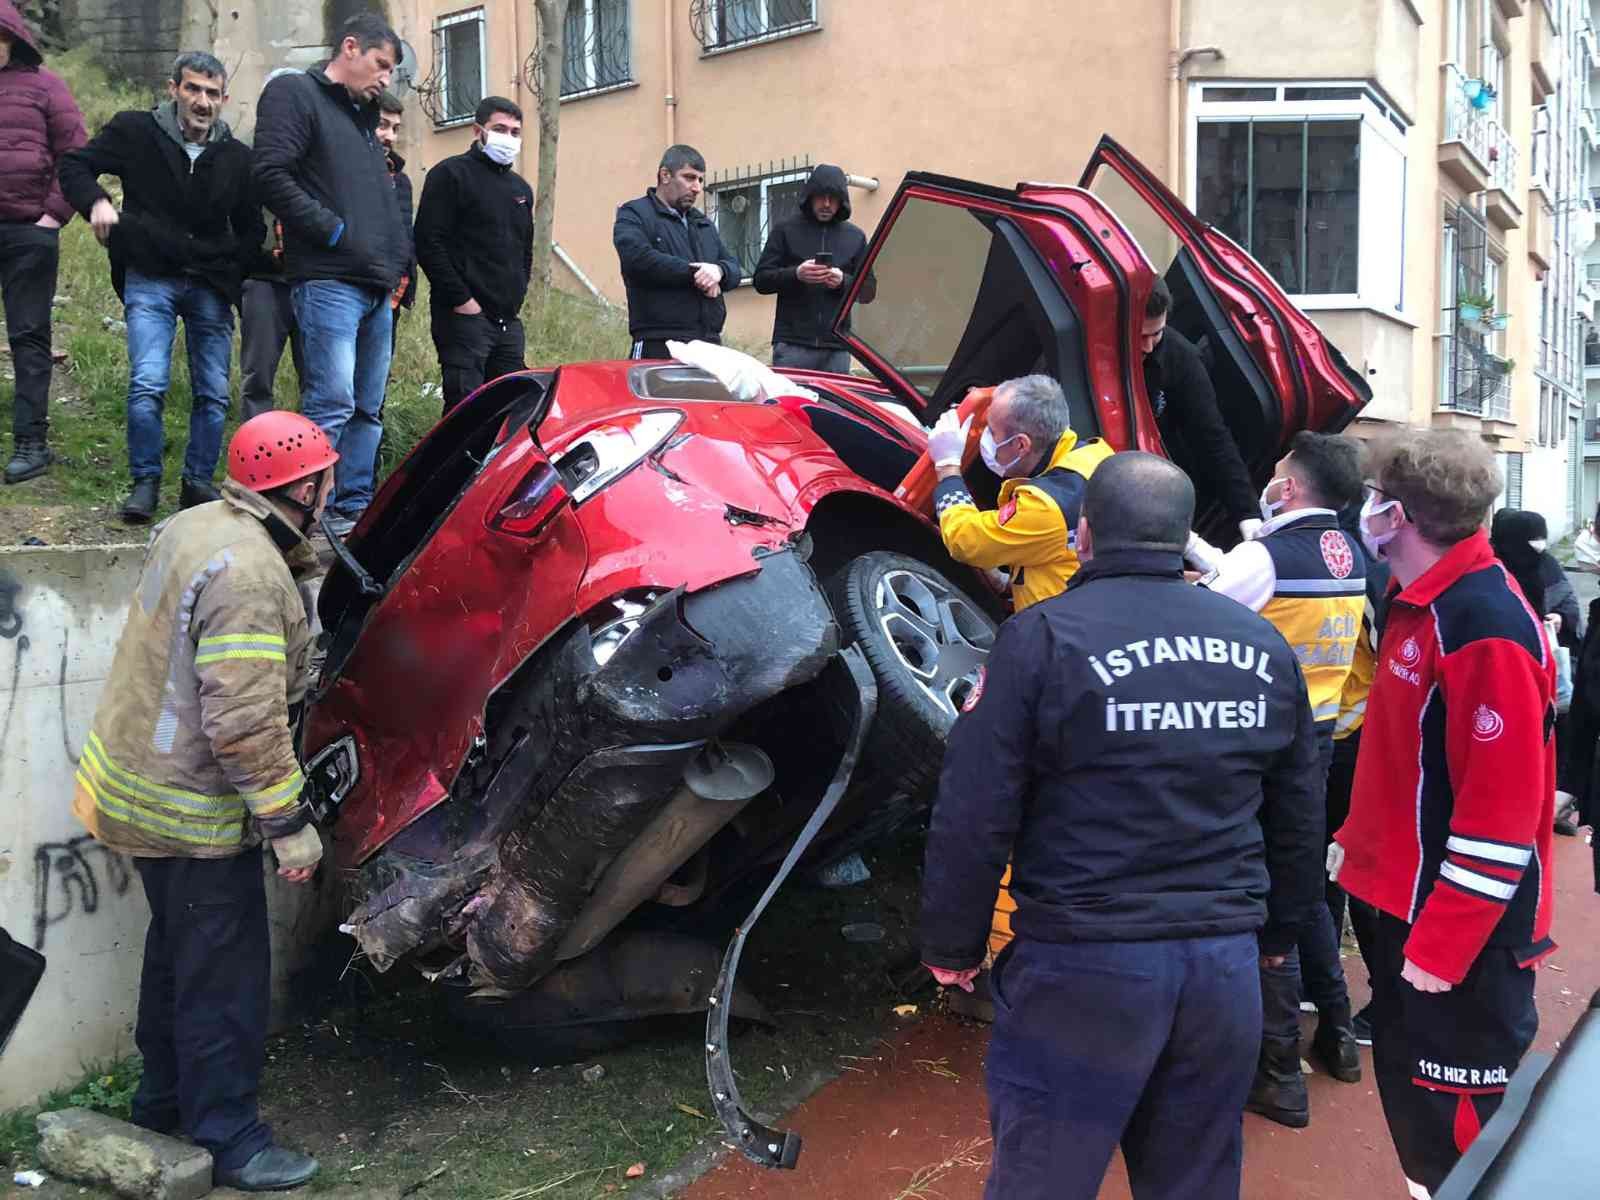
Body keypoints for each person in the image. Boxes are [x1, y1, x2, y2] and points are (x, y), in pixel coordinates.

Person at [922, 451, 1324, 1200]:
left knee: (1044, 1177)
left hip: (1084, 966)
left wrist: (952, 944)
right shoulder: (1263, 646)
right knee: (1195, 1180)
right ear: (1182, 540)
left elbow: (975, 807)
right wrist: (1276, 938)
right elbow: (1297, 812)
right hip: (1221, 967)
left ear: (1082, 534)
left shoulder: (1040, 638)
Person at [71, 409, 335, 1192]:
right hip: (193, 808)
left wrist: (306, 563)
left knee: (178, 955)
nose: (336, 487)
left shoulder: (196, 526)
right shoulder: (251, 580)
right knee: (224, 975)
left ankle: (162, 1105)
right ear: (306, 485)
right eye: (328, 477)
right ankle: (231, 1138)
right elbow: (246, 721)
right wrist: (289, 826)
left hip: (134, 790)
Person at [1332, 430, 1556, 1199]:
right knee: (1419, 1127)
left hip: (1460, 934)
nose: (1362, 511)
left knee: (1466, 1143)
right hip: (1403, 907)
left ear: (1394, 515)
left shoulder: (1484, 624)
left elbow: (1504, 811)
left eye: (1370, 500)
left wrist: (1447, 941)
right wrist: (1356, 848)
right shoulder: (1421, 600)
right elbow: (1404, 761)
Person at [1185, 431, 1366, 1124]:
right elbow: (1252, 576)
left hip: (1253, 745)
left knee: (1256, 899)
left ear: (1288, 489)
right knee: (1302, 892)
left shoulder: (1266, 557)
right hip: (1315, 737)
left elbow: (1205, 615)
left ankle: (1275, 1066)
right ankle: (1340, 1034)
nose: (1269, 477)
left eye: (1277, 470)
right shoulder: (1344, 551)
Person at [59, 52, 265, 524]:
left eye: (212, 94)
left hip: (210, 285)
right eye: (193, 89)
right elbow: (75, 164)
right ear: (173, 89)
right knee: (148, 382)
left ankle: (196, 484)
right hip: (149, 274)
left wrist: (232, 265)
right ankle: (145, 482)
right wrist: (97, 204)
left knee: (213, 392)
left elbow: (251, 228)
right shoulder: (136, 131)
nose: (202, 101)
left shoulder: (237, 157)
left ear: (224, 100)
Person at [253, 12, 409, 536]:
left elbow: (381, 204)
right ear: (349, 48)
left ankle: (353, 511)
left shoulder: (364, 122)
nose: (386, 77)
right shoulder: (295, 94)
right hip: (328, 279)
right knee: (332, 403)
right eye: (381, 64)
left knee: (368, 407)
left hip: (374, 287)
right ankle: (304, 515)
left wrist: (393, 264)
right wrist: (333, 231)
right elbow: (270, 173)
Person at [926, 374, 1114, 613]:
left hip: (1057, 630)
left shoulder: (1046, 505)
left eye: (991, 431)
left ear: (1021, 445)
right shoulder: (1097, 455)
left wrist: (947, 466)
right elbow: (1052, 551)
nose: (985, 437)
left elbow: (965, 540)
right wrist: (1009, 584)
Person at [0, 0, 86, 485]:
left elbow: (75, 152)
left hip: (29, 233)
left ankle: (31, 444)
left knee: (29, 338)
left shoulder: (47, 88)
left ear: (12, 38)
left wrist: (52, 216)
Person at [413, 95, 532, 413]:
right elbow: (428, 242)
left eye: (515, 131)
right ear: (478, 130)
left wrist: (517, 296)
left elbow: (525, 250)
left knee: (513, 410)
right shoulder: (450, 175)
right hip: (464, 320)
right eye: (500, 128)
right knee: (464, 413)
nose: (508, 138)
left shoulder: (521, 189)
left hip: (508, 322)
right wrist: (463, 302)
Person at [1141, 278, 1260, 541]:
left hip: (1156, 479)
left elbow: (1212, 437)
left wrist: (1247, 513)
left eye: (1156, 334)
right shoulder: (1095, 345)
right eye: (1140, 336)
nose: (1148, 347)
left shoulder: (1182, 357)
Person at [612, 144, 742, 359]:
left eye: (700, 180)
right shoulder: (634, 213)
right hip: (658, 343)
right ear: (665, 175)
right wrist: (698, 274)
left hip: (709, 343)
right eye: (689, 178)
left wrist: (719, 271)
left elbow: (734, 267)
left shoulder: (703, 224)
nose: (697, 187)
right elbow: (638, 259)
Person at [752, 163, 874, 372]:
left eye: (833, 198)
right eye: (820, 196)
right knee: (789, 404)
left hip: (836, 347)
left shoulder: (856, 237)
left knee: (834, 406)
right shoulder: (785, 230)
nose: (826, 204)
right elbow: (761, 280)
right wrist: (796, 274)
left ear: (842, 200)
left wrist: (843, 281)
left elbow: (869, 291)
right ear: (809, 196)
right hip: (792, 344)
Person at [238, 68, 307, 424]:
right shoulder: (245, 151)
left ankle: (312, 466)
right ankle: (255, 456)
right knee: (258, 375)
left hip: (312, 278)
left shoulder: (318, 150)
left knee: (317, 380)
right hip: (264, 278)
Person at [374, 89, 416, 355]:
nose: (390, 136)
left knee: (377, 382)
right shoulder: (340, 172)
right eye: (382, 125)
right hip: (348, 291)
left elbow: (404, 238)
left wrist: (399, 290)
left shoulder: (400, 181)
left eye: (395, 128)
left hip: (390, 293)